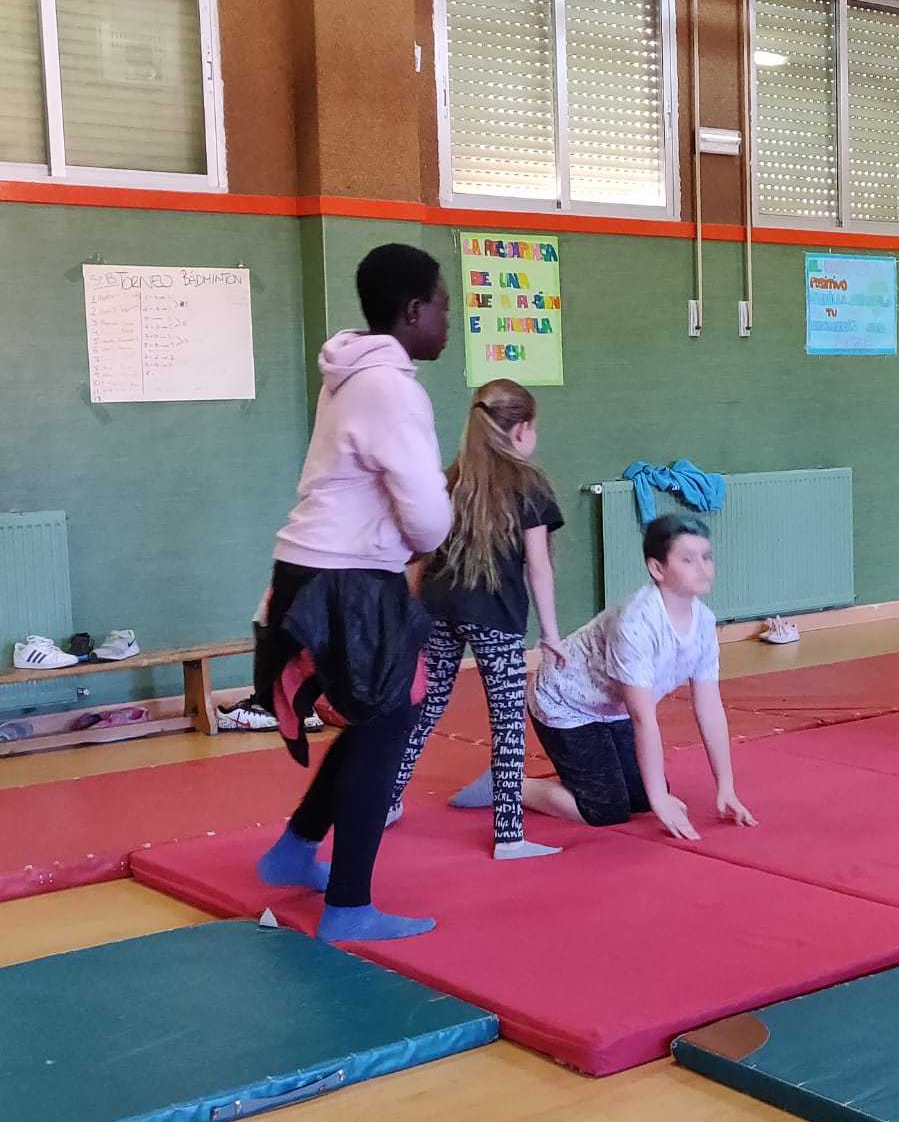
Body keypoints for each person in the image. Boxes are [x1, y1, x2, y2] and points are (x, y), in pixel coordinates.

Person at [253, 243, 453, 942]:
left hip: (309, 569)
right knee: (389, 722)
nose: (448, 320)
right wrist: (431, 531)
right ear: (413, 310)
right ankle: (348, 907)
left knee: (378, 718)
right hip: (346, 579)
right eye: (443, 305)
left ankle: (295, 849)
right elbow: (426, 515)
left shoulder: (349, 375)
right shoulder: (391, 389)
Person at [451, 514, 757, 840]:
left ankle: (586, 774)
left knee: (641, 798)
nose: (703, 567)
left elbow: (709, 707)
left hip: (612, 707)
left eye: (707, 557)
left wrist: (725, 786)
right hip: (565, 702)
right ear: (657, 569)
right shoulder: (636, 623)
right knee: (605, 809)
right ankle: (509, 783)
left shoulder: (704, 623)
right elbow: (643, 718)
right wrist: (660, 800)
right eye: (688, 559)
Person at [384, 380, 568, 861]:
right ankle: (509, 834)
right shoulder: (528, 483)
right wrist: (550, 633)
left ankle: (386, 799)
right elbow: (538, 566)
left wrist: (411, 613)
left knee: (427, 707)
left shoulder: (452, 478)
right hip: (494, 617)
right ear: (522, 429)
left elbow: (420, 556)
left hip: (439, 608)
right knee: (507, 721)